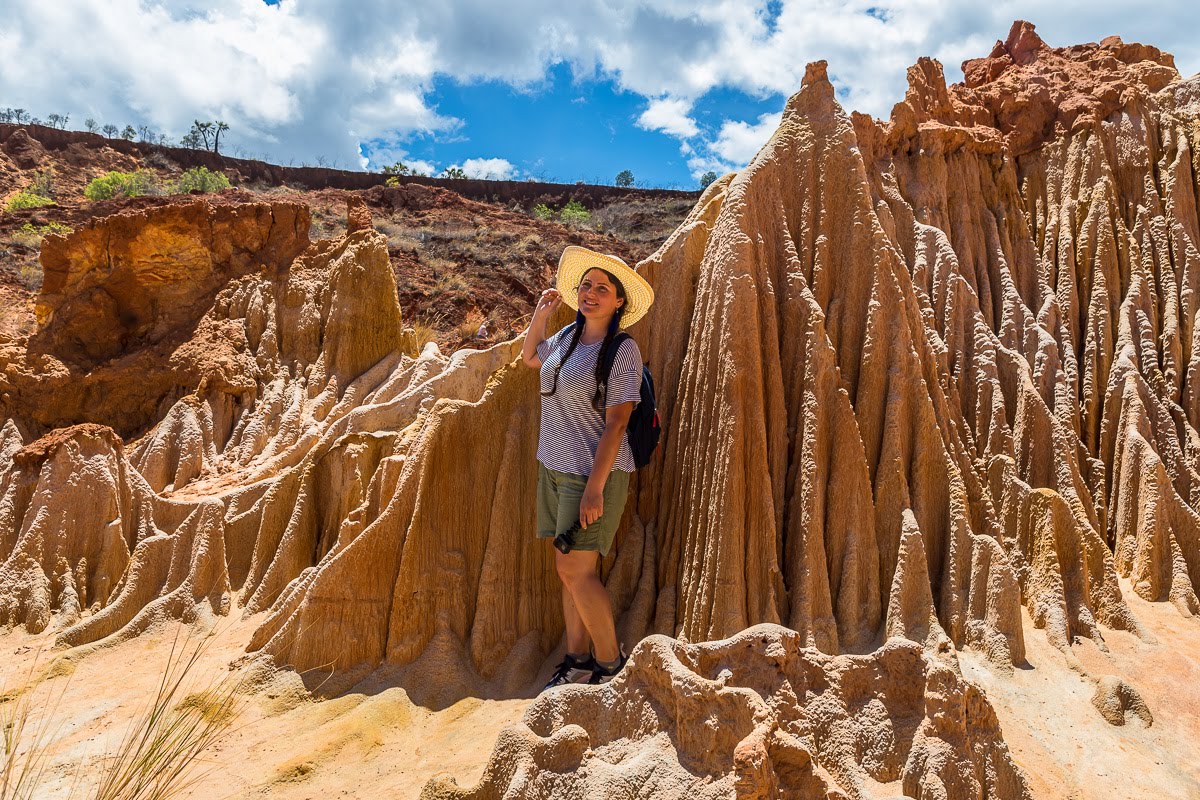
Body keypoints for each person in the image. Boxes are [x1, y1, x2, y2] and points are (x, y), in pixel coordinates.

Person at [521, 245, 654, 690]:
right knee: (566, 570)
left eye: (602, 288)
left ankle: (610, 664)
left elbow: (617, 423)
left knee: (577, 571)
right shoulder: (565, 338)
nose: (590, 293)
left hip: (592, 475)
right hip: (554, 468)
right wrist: (541, 314)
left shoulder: (622, 351)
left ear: (619, 301)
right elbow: (531, 359)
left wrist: (595, 490)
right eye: (585, 285)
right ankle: (576, 660)